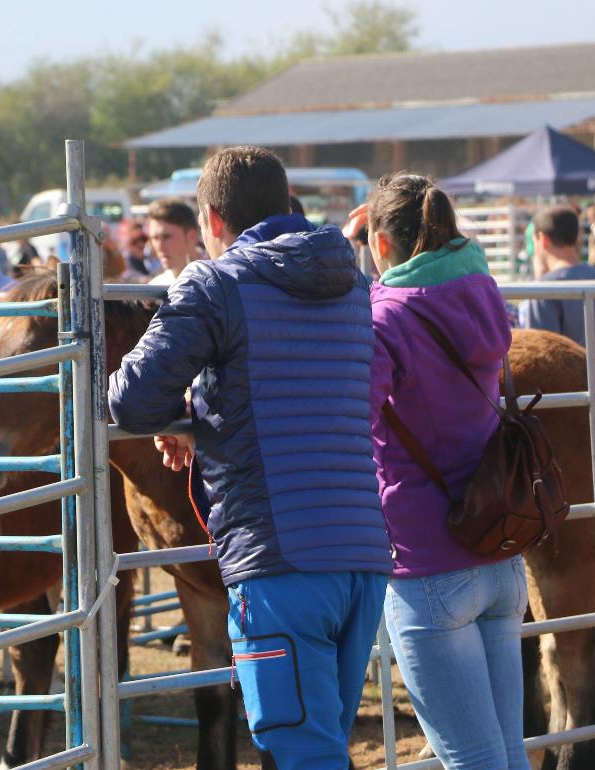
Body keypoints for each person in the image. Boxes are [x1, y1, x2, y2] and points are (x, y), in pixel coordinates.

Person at [108, 146, 392, 769]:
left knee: (299, 753)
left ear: (210, 220)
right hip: (360, 556)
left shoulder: (214, 284)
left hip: (277, 557)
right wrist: (205, 403)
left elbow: (129, 402)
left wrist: (189, 408)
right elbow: (292, 382)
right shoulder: (351, 283)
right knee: (323, 745)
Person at [351, 173, 527, 768]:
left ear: (379, 245)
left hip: (427, 562)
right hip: (498, 549)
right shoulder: (483, 296)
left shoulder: (383, 321)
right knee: (505, 755)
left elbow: (353, 419)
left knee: (473, 761)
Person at [519, 206, 595, 354]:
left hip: (566, 376)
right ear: (577, 235)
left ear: (543, 239)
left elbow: (541, 355)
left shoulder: (542, 290)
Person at [145, 198, 202, 286]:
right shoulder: (154, 287)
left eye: (166, 237)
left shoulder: (217, 282)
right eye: (155, 238)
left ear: (191, 236)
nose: (159, 247)